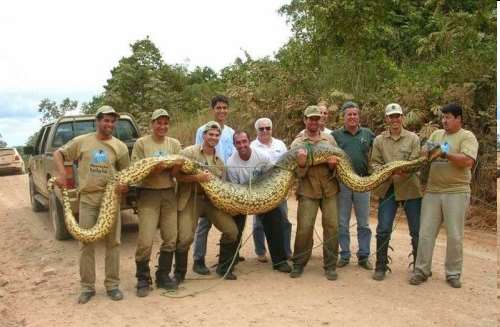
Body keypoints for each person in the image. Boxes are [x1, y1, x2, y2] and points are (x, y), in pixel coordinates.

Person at [53, 105, 130, 304]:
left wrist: (124, 186)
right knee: (86, 242)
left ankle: (112, 285)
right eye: (106, 120)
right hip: (88, 198)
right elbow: (58, 154)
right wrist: (62, 174)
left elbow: (125, 174)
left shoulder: (120, 146)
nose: (109, 124)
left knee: (113, 243)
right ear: (97, 121)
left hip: (110, 199)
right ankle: (87, 287)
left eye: (112, 121)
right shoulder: (82, 141)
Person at [410, 103, 478, 288]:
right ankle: (421, 271)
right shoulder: (436, 135)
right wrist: (428, 151)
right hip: (433, 191)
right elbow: (424, 153)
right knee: (425, 233)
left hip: (456, 191)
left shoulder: (467, 136)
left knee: (455, 235)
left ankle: (453, 274)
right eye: (443, 117)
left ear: (458, 119)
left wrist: (445, 154)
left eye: (448, 117)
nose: (444, 121)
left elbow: (468, 161)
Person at [175, 121, 240, 280]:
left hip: (211, 202)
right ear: (204, 135)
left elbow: (222, 185)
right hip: (191, 199)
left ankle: (223, 268)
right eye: (210, 134)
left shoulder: (220, 162)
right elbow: (176, 176)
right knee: (185, 238)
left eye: (217, 135)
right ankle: (178, 274)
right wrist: (196, 178)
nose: (213, 137)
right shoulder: (188, 153)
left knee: (232, 231)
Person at [131, 109, 182, 297]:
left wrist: (174, 169)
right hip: (148, 194)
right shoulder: (141, 144)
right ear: (152, 124)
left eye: (165, 123)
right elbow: (136, 172)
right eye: (158, 123)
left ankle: (163, 276)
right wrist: (155, 169)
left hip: (169, 193)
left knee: (170, 238)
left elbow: (177, 173)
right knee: (145, 239)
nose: (162, 126)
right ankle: (143, 278)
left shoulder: (174, 144)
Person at [370, 103, 422, 281]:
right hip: (388, 188)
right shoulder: (379, 140)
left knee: (417, 230)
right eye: (391, 116)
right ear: (386, 119)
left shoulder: (413, 138)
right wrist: (388, 172)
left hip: (410, 189)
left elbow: (416, 162)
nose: (395, 119)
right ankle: (380, 266)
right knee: (383, 229)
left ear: (402, 117)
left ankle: (419, 268)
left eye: (397, 116)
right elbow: (374, 163)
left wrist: (402, 170)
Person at [227, 130, 291, 272]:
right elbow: (235, 188)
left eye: (244, 141)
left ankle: (279, 261)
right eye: (238, 143)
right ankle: (231, 259)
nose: (242, 145)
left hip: (262, 194)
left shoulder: (261, 156)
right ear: (234, 145)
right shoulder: (231, 163)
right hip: (242, 197)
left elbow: (271, 177)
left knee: (276, 219)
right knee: (234, 224)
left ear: (249, 141)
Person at [289, 105, 339, 280]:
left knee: (332, 226)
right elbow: (294, 171)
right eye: (310, 118)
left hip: (329, 189)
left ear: (321, 120)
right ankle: (298, 263)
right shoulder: (297, 143)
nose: (313, 121)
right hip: (307, 190)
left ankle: (331, 265)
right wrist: (302, 164)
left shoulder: (329, 140)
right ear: (305, 120)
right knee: (304, 228)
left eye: (317, 118)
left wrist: (333, 165)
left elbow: (339, 163)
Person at [192, 95, 235, 275]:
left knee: (228, 222)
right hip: (207, 181)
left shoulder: (231, 132)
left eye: (225, 108)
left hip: (224, 180)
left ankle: (226, 259)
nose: (222, 111)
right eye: (218, 108)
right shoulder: (202, 129)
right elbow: (197, 154)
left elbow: (232, 156)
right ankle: (198, 259)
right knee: (204, 223)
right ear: (213, 109)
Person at [332, 101, 375, 270]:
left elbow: (378, 152)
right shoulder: (335, 136)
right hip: (342, 183)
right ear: (343, 117)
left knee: (363, 222)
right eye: (349, 114)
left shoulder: (368, 134)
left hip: (363, 182)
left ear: (359, 116)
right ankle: (344, 255)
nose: (352, 117)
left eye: (355, 114)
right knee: (342, 222)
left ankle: (364, 256)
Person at [250, 118, 292, 262]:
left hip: (279, 189)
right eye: (261, 129)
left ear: (272, 128)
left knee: (284, 220)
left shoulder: (280, 144)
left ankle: (286, 251)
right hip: (260, 190)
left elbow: (288, 165)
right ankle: (260, 252)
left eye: (268, 128)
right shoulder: (252, 146)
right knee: (258, 223)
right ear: (257, 131)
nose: (265, 131)